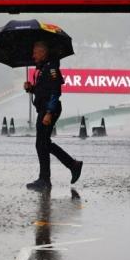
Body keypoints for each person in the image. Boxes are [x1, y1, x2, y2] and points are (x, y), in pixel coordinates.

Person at [24, 41, 83, 191]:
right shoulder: (43, 68)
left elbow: (55, 92)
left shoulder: (52, 68)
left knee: (42, 143)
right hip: (43, 109)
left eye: (35, 53)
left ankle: (46, 179)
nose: (33, 56)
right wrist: (31, 88)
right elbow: (43, 90)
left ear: (43, 53)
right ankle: (70, 166)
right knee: (42, 143)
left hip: (49, 110)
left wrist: (49, 113)